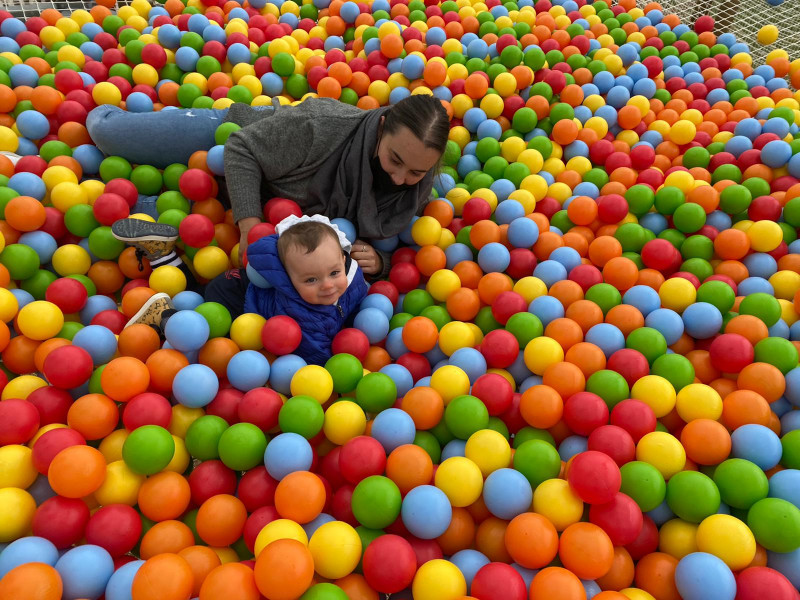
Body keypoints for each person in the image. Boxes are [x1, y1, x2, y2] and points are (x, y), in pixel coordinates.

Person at [87, 93, 451, 279]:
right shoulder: (322, 127)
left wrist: (380, 263)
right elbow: (241, 149)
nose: (400, 179)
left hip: (241, 201)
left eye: (416, 172)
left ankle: (109, 189)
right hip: (236, 138)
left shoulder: (416, 189)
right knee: (105, 134)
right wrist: (249, 225)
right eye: (395, 160)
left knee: (108, 205)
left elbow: (397, 245)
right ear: (382, 127)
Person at [124, 215, 368, 365]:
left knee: (194, 292)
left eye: (334, 273)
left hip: (240, 281)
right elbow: (315, 355)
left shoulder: (353, 279)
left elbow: (358, 296)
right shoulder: (297, 311)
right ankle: (165, 315)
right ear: (287, 279)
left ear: (343, 259)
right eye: (311, 280)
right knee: (205, 332)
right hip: (232, 297)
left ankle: (162, 252)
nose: (328, 285)